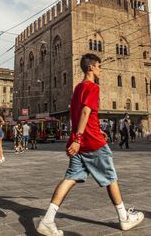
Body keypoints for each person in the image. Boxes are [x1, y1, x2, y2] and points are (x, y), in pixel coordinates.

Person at [37, 54, 143, 236]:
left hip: (82, 141)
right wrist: (79, 138)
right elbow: (85, 112)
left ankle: (47, 220)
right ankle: (124, 218)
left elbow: (80, 115)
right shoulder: (92, 87)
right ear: (91, 68)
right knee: (111, 178)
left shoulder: (78, 88)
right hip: (91, 143)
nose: (101, 70)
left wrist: (82, 136)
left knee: (70, 178)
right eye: (99, 66)